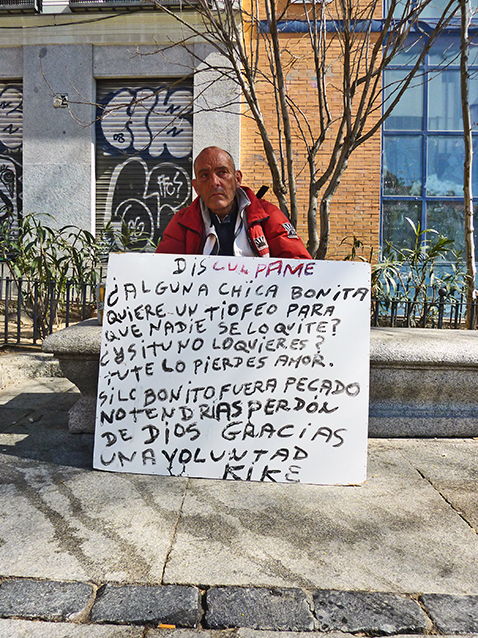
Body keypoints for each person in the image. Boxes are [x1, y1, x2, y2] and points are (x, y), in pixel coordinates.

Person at [156, 146, 311, 259]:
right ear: (196, 187)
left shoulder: (267, 215)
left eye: (222, 172)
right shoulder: (183, 223)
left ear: (237, 179)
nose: (214, 182)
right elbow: (162, 271)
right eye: (204, 176)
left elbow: (299, 267)